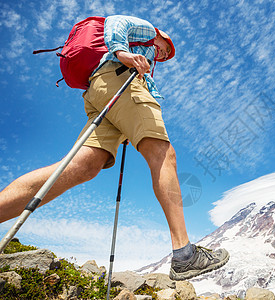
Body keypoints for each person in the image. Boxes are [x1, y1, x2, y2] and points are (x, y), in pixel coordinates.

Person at [0, 15, 229, 281]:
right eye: (166, 49)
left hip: (104, 89)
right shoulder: (149, 32)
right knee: (162, 154)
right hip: (121, 82)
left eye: (165, 54)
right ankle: (185, 256)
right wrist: (123, 53)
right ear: (163, 37)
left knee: (82, 167)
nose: (163, 54)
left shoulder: (143, 54)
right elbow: (116, 24)